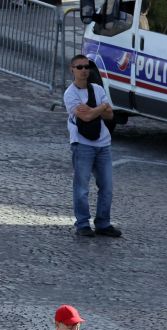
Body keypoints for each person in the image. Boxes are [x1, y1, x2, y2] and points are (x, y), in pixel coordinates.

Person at [64, 55, 121, 238]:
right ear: (72, 69)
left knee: (107, 187)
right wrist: (101, 107)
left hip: (103, 144)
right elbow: (86, 117)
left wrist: (95, 109)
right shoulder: (70, 94)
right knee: (82, 188)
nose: (84, 70)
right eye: (79, 67)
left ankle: (103, 223)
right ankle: (82, 224)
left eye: (86, 67)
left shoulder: (97, 88)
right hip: (82, 145)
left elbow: (110, 115)